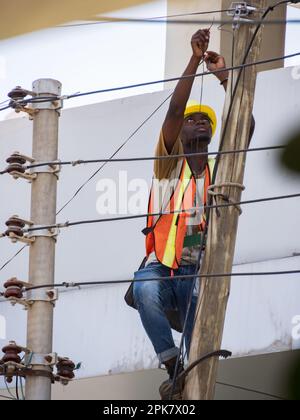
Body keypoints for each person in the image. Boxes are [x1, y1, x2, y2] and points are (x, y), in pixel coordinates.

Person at [125, 28, 254, 400]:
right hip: (164, 265)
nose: (199, 122)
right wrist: (196, 60)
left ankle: (186, 376)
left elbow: (246, 125)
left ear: (213, 134)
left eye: (207, 122)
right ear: (178, 132)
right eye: (192, 120)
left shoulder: (222, 173)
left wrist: (225, 78)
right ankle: (173, 367)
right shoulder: (168, 165)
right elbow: (174, 110)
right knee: (144, 287)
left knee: (200, 335)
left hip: (199, 269)